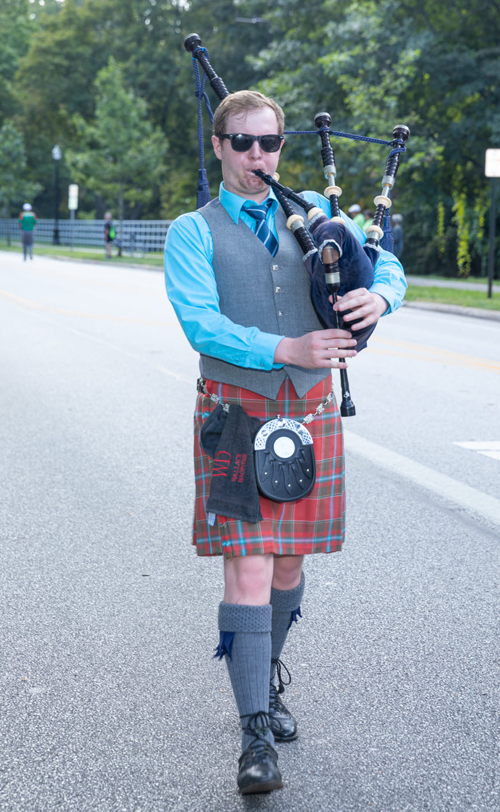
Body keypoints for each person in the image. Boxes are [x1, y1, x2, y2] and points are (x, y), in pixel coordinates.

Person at [164, 90, 406, 796]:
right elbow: (201, 325)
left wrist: (379, 298)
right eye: (240, 143)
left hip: (310, 411)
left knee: (289, 566)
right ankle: (254, 734)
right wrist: (288, 345)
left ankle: (263, 673)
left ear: (280, 146)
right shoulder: (193, 230)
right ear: (218, 146)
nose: (256, 157)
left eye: (267, 143)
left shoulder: (318, 217)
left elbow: (383, 261)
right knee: (249, 565)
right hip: (235, 412)